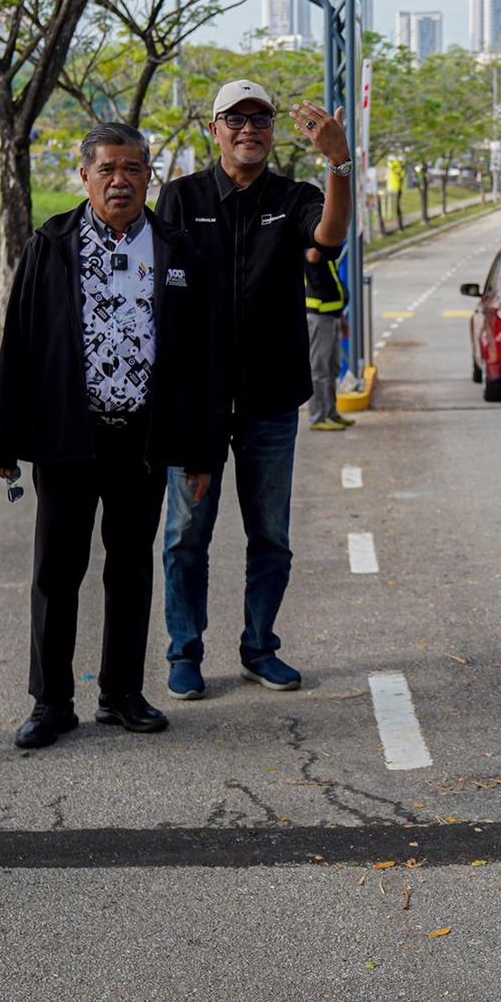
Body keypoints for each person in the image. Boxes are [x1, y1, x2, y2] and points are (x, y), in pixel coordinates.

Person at [0, 123, 220, 750]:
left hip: (141, 441)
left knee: (132, 567)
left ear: (149, 177)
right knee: (57, 572)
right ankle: (50, 701)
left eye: (134, 169)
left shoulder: (175, 249)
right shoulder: (50, 245)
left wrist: (200, 451)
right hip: (68, 437)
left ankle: (121, 693)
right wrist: (3, 443)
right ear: (85, 177)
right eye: (108, 169)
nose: (121, 180)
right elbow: (22, 347)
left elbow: (199, 358)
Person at [156, 80, 352, 700]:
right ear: (213, 130)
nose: (249, 128)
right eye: (234, 119)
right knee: (187, 534)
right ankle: (184, 650)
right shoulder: (181, 198)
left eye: (260, 118)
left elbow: (328, 238)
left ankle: (259, 647)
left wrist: (340, 162)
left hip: (270, 399)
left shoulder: (293, 196)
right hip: (198, 402)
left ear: (272, 131)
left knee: (270, 534)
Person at [304, 246, 354, 432]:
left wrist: (342, 319)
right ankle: (318, 417)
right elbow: (311, 255)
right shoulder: (310, 249)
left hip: (332, 316)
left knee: (332, 368)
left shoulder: (328, 255)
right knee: (319, 370)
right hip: (319, 318)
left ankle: (331, 413)